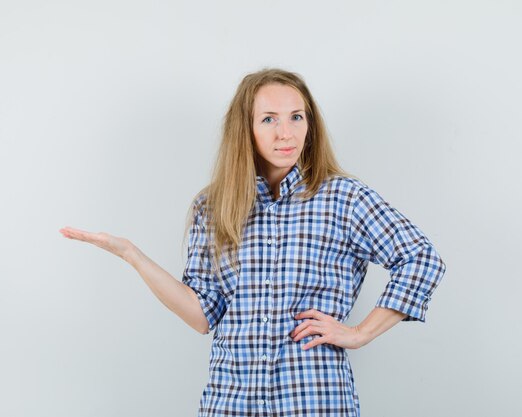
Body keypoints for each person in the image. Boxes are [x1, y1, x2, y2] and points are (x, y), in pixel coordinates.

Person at [59, 67, 446, 417]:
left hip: (313, 401)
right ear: (246, 129)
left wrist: (359, 334)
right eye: (269, 119)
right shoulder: (213, 207)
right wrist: (133, 256)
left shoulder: (343, 198)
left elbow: (420, 258)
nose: (286, 133)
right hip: (230, 401)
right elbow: (201, 314)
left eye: (297, 117)